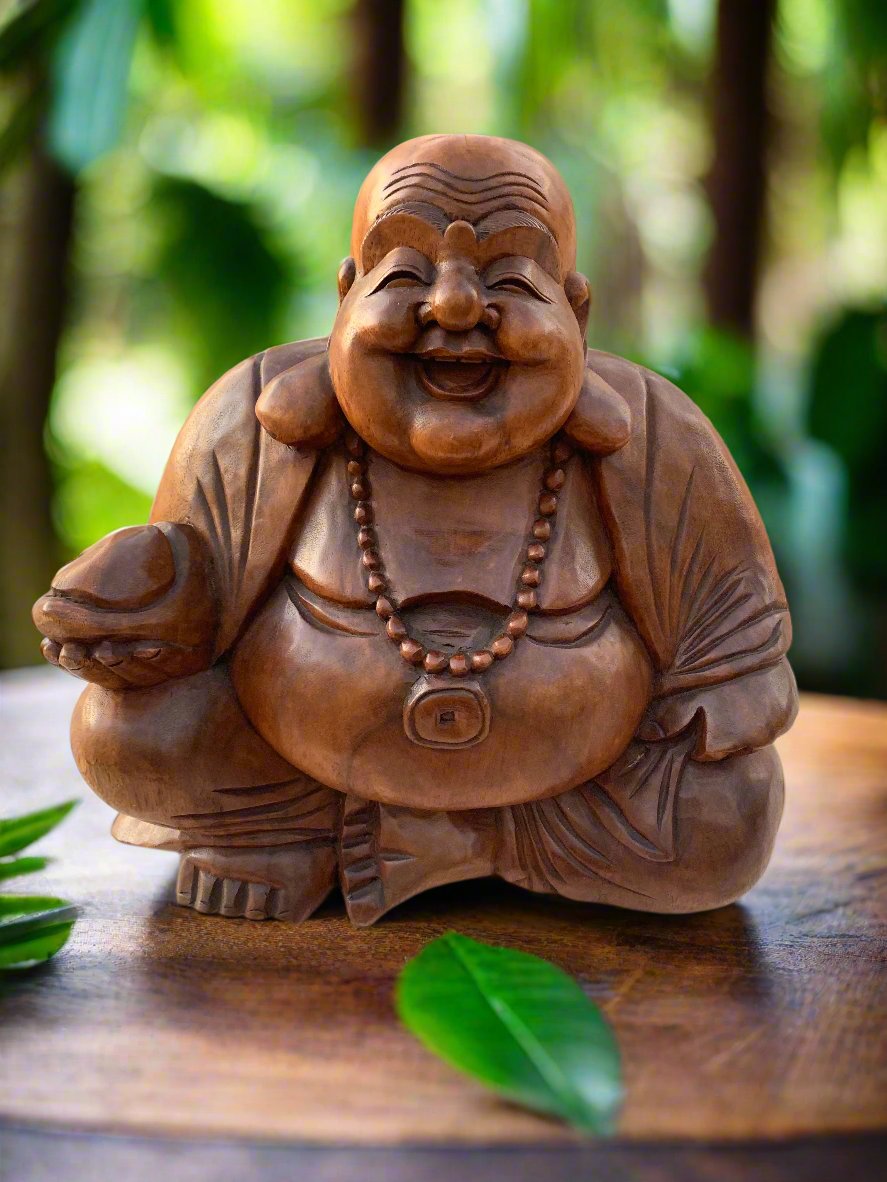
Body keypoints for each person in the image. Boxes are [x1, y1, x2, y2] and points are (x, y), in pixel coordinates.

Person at [33, 135, 797, 925]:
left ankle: (469, 844)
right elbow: (193, 608)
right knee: (127, 730)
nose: (456, 307)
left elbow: (735, 639)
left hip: (575, 792)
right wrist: (131, 612)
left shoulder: (653, 431)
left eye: (509, 277)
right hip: (296, 770)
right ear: (346, 293)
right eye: (403, 273)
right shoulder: (253, 417)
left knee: (726, 814)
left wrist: (723, 697)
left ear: (575, 310)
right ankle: (294, 833)